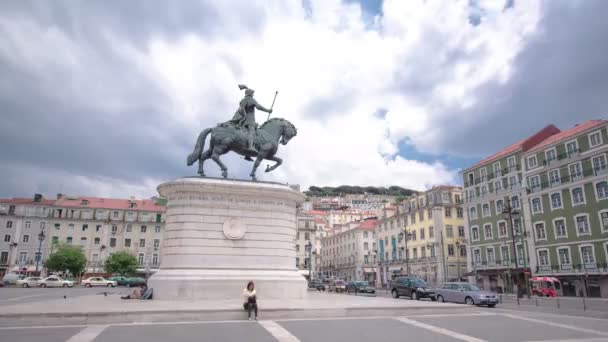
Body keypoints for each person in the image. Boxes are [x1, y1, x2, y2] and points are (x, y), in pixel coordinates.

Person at [229, 84, 273, 155]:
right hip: (249, 120)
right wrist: (268, 110)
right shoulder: (251, 100)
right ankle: (250, 147)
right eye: (252, 93)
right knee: (251, 132)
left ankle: (247, 154)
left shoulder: (243, 100)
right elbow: (258, 107)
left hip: (243, 118)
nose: (253, 94)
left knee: (253, 132)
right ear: (250, 93)